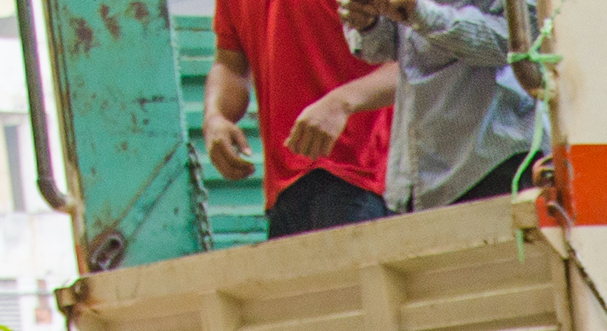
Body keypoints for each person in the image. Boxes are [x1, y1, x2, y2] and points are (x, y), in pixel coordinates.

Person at [205, 0, 394, 239]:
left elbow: (414, 61)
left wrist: (342, 102)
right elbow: (230, 64)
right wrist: (215, 115)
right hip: (283, 190)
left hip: (363, 178)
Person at [343, 0, 542, 211]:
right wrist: (369, 22)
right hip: (418, 174)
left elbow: (523, 40)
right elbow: (394, 46)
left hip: (495, 158)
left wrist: (419, 13)